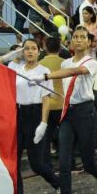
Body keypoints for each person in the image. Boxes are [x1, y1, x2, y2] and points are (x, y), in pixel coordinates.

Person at [31, 26, 97, 194]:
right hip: (68, 112)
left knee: (89, 164)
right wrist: (38, 80)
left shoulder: (91, 62)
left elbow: (75, 71)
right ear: (70, 42)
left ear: (88, 42)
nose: (78, 40)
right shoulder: (65, 61)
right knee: (63, 161)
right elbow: (64, 75)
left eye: (82, 37)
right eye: (75, 37)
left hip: (86, 113)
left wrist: (46, 76)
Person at [0, 40, 60, 194]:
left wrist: (44, 122)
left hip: (36, 114)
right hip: (17, 114)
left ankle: (59, 185)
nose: (30, 52)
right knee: (13, 162)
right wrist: (12, 55)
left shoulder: (44, 72)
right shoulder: (16, 69)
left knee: (36, 163)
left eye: (33, 49)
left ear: (39, 52)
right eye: (26, 49)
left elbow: (46, 99)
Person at [39, 36, 64, 166]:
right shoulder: (64, 63)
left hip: (46, 105)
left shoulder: (40, 64)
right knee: (66, 135)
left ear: (45, 47)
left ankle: (47, 165)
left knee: (46, 137)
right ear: (60, 48)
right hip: (62, 103)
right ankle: (67, 162)